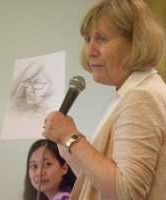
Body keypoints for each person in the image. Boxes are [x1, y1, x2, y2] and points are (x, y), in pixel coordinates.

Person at [42, 0, 166, 199]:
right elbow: (98, 184)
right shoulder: (132, 93)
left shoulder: (142, 96)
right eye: (87, 39)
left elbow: (127, 191)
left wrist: (70, 137)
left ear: (136, 42)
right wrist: (68, 149)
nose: (90, 51)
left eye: (101, 39)